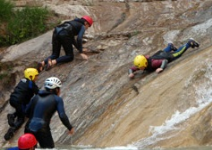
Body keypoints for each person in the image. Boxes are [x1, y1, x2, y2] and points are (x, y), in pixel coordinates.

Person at [24, 77, 74, 148]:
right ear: (56, 89)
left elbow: (26, 112)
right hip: (42, 128)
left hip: (28, 127)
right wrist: (70, 127)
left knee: (29, 149)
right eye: (59, 88)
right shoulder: (57, 99)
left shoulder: (36, 97)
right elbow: (62, 115)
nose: (60, 91)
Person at [128, 38, 200, 79]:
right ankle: (170, 46)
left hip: (165, 57)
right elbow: (131, 69)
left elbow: (164, 61)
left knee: (178, 53)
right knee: (163, 52)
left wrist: (161, 68)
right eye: (139, 67)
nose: (140, 69)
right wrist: (130, 73)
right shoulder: (141, 64)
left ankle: (190, 43)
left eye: (141, 67)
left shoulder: (153, 63)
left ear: (145, 63)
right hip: (159, 55)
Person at [4, 68, 39, 141]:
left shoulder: (23, 80)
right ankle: (12, 130)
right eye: (36, 76)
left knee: (21, 109)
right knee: (21, 118)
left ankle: (12, 115)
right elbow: (38, 93)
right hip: (19, 102)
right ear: (31, 76)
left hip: (13, 99)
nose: (37, 77)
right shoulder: (31, 84)